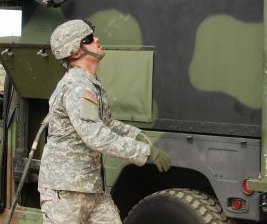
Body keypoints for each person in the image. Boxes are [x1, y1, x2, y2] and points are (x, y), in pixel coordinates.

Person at [38, 19, 170, 224]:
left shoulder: (91, 83)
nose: (97, 40)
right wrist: (144, 152)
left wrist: (135, 134)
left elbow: (106, 124)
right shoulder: (77, 87)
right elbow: (96, 136)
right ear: (74, 52)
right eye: (89, 39)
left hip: (91, 188)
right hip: (65, 191)